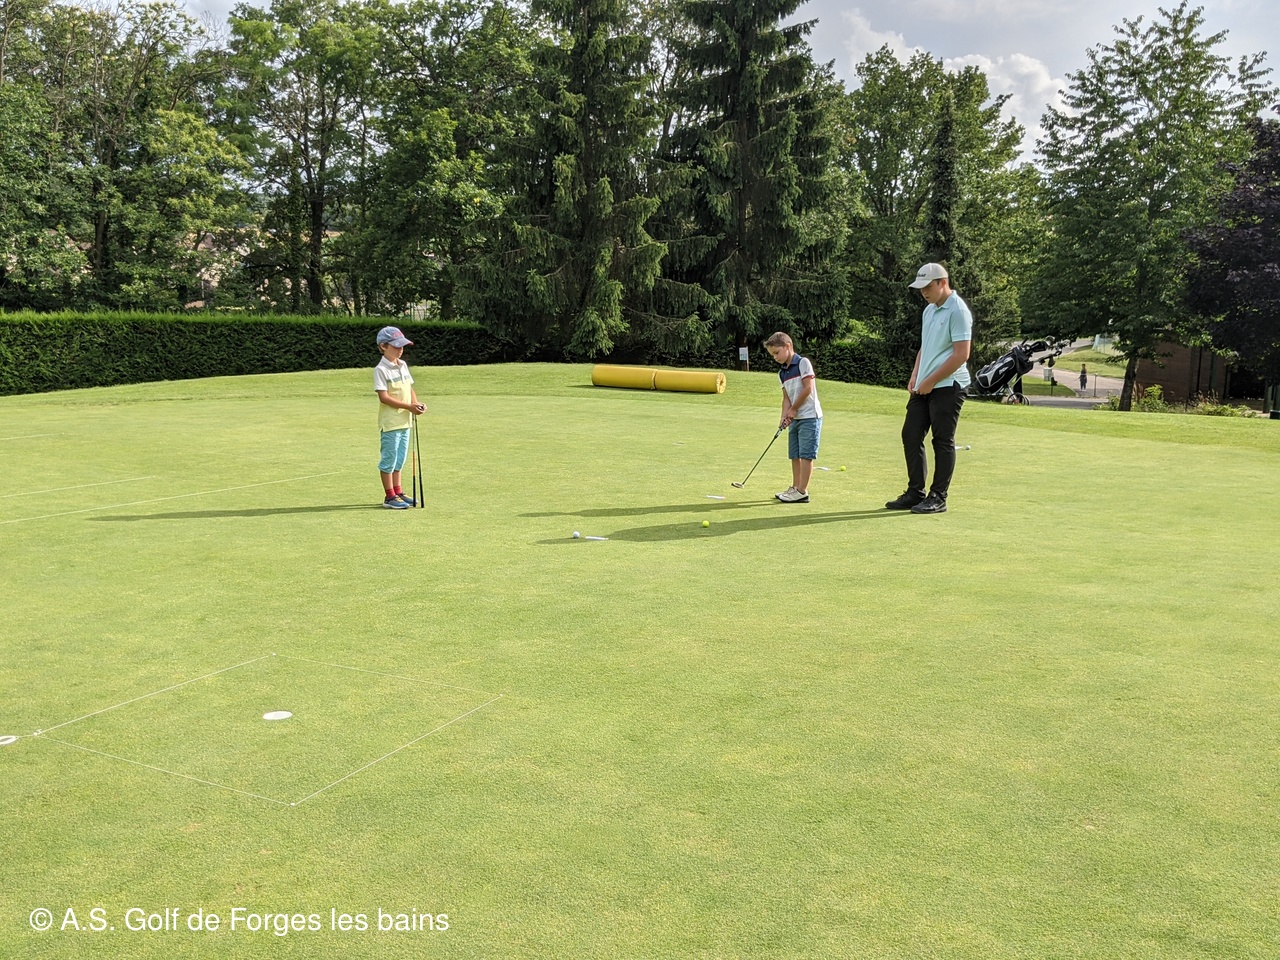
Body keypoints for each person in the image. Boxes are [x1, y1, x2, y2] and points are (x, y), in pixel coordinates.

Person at [886, 263, 972, 515]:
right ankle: (916, 492)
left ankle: (938, 497)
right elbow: (926, 346)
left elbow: (961, 354)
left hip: (949, 385)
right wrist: (916, 375)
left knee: (942, 440)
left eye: (928, 287)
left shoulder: (958, 310)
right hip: (925, 384)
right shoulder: (929, 310)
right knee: (910, 435)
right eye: (920, 288)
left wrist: (931, 380)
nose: (923, 292)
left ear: (942, 282)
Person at [764, 332, 822, 503]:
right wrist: (784, 416)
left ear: (787, 346)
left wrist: (794, 409)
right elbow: (786, 398)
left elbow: (808, 388)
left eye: (776, 352)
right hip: (795, 419)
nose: (775, 357)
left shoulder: (803, 362)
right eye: (772, 355)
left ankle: (802, 491)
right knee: (795, 454)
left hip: (810, 416)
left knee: (806, 455)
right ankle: (795, 487)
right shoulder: (782, 372)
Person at [373, 325, 426, 509]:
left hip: (405, 422)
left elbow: (409, 388)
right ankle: (389, 497)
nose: (400, 349)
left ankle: (398, 491)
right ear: (383, 346)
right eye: (396, 346)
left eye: (402, 345)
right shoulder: (381, 369)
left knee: (400, 459)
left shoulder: (402, 365)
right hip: (390, 423)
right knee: (389, 460)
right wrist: (408, 407)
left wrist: (416, 404)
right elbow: (384, 397)